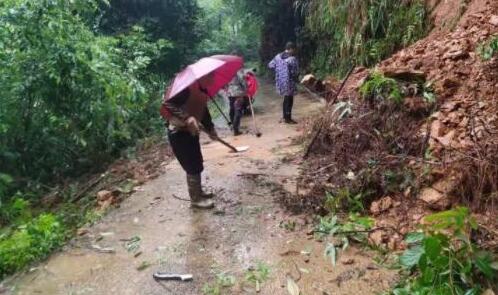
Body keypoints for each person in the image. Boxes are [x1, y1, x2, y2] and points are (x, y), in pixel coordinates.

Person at [160, 75, 218, 209]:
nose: (212, 80)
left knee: (197, 162)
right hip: (179, 133)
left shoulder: (201, 90)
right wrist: (187, 117)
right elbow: (167, 103)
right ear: (202, 78)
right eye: (210, 77)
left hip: (190, 132)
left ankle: (199, 192)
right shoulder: (185, 89)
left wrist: (211, 129)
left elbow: (203, 111)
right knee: (191, 165)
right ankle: (195, 199)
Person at [268, 42, 299, 124]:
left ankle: (285, 116)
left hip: (280, 82)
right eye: (294, 49)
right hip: (289, 82)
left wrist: (279, 70)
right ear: (291, 49)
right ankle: (288, 119)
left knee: (285, 99)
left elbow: (270, 65)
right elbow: (295, 72)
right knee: (290, 100)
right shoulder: (292, 59)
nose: (294, 51)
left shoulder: (277, 57)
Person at [225, 69, 248, 136]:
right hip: (238, 93)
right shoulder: (238, 71)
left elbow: (225, 84)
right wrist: (246, 90)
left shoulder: (226, 72)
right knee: (238, 110)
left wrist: (227, 89)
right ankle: (236, 129)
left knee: (232, 109)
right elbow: (243, 81)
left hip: (230, 93)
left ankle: (233, 126)